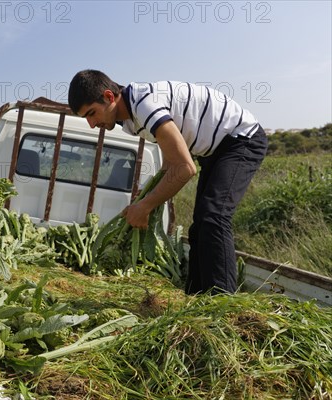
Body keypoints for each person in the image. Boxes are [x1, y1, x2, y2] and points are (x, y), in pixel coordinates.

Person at [68, 69, 268, 295]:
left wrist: (145, 207)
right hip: (215, 150)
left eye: (91, 114)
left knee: (214, 216)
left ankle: (224, 304)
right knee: (200, 225)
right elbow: (170, 163)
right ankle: (195, 298)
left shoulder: (144, 105)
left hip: (241, 139)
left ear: (109, 97)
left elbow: (185, 168)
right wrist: (145, 196)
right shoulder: (132, 116)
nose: (92, 124)